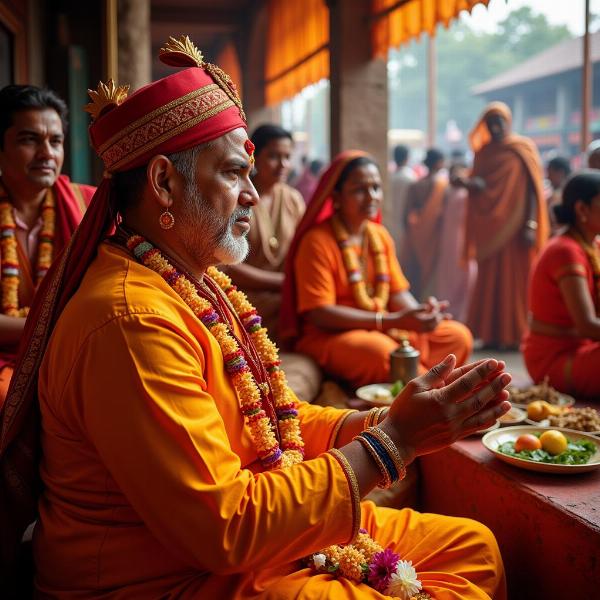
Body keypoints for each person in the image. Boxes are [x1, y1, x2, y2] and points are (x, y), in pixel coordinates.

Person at [0, 37, 511, 600]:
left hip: (236, 535)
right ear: (164, 181)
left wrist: (388, 419)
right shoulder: (130, 319)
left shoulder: (194, 279)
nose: (253, 195)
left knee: (475, 549)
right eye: (234, 174)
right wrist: (394, 442)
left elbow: (267, 415)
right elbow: (222, 528)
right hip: (169, 574)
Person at [281, 151, 473, 389]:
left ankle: (426, 385)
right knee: (383, 354)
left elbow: (396, 293)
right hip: (332, 335)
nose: (371, 197)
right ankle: (434, 392)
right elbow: (319, 313)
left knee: (457, 336)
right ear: (337, 197)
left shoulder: (378, 235)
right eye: (360, 190)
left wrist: (421, 315)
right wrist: (389, 321)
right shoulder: (316, 241)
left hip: (385, 326)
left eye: (376, 188)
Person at [0, 84, 94, 409]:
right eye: (29, 140)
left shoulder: (89, 207)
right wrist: (55, 324)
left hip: (73, 354)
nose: (47, 154)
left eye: (55, 141)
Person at [226, 124, 321, 401]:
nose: (283, 164)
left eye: (287, 156)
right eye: (273, 156)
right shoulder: (237, 196)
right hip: (244, 301)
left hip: (286, 302)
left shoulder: (292, 199)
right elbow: (225, 263)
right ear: (253, 157)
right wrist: (282, 283)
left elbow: (305, 251)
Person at [457, 102, 549, 349]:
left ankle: (515, 335)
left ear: (508, 122)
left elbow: (533, 189)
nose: (496, 127)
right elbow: (481, 187)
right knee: (489, 283)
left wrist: (530, 223)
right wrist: (468, 184)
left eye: (500, 122)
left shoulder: (523, 148)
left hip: (517, 229)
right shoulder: (483, 153)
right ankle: (490, 335)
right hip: (489, 229)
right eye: (491, 123)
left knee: (516, 284)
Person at [522, 170, 600, 399]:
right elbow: (587, 325)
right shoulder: (565, 250)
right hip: (555, 359)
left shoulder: (591, 245)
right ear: (582, 210)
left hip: (583, 349)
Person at [401, 148, 446, 300]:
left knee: (416, 269)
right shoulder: (442, 185)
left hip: (416, 233)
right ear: (439, 163)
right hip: (435, 236)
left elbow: (406, 214)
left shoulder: (416, 185)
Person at [436, 162, 478, 323]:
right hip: (449, 238)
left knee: (465, 273)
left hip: (463, 238)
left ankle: (462, 314)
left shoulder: (469, 193)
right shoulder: (447, 191)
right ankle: (449, 311)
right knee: (450, 274)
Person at [387, 144, 415, 252]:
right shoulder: (410, 177)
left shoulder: (390, 177)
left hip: (391, 223)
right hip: (405, 224)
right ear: (407, 157)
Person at [546, 156, 572, 233]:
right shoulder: (553, 196)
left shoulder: (560, 197)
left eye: (550, 173)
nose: (548, 178)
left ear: (561, 173)